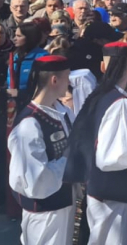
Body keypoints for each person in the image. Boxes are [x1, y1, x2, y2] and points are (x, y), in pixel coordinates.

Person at [64, 41, 127, 245]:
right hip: (114, 196)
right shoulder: (120, 103)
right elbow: (114, 157)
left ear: (103, 67)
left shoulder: (99, 96)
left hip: (99, 190)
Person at [8, 55, 74, 245]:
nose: (69, 84)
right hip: (45, 214)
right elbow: (36, 181)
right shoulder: (30, 124)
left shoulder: (61, 112)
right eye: (67, 78)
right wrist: (68, 160)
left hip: (62, 206)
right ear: (55, 80)